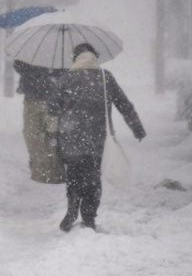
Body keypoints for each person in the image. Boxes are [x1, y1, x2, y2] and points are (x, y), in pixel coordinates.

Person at [48, 42, 146, 232]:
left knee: (74, 176)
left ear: (75, 58)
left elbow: (52, 109)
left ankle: (72, 208)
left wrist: (54, 135)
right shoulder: (104, 77)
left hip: (70, 138)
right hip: (96, 139)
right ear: (95, 57)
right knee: (92, 178)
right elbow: (124, 104)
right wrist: (137, 128)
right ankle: (89, 218)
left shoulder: (66, 78)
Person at [13, 60, 65, 184]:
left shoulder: (59, 49)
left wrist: (52, 73)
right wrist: (35, 71)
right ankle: (37, 163)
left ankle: (54, 170)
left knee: (52, 135)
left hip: (53, 100)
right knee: (30, 134)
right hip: (31, 99)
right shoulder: (32, 50)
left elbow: (66, 71)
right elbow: (18, 65)